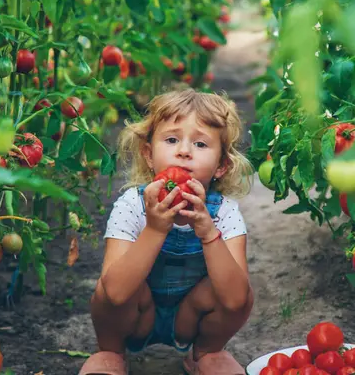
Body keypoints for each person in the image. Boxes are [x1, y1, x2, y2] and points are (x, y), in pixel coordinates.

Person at [79, 89, 254, 375]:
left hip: (192, 316)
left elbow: (236, 299)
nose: (184, 151)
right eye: (172, 140)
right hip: (137, 313)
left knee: (241, 291)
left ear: (221, 166)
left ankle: (206, 353)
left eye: (200, 144)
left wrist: (208, 233)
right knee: (104, 290)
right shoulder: (132, 206)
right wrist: (155, 228)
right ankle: (111, 353)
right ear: (148, 154)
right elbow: (114, 292)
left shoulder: (224, 213)